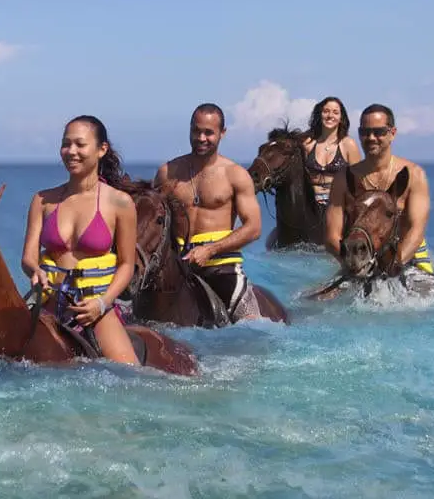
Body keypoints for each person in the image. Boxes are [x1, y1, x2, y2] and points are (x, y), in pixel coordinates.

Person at [21, 115, 140, 365]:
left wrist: (102, 303)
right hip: (48, 302)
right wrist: (34, 271)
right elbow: (28, 257)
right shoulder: (42, 200)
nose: (71, 151)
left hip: (94, 308)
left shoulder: (120, 203)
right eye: (66, 144)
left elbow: (127, 265)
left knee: (131, 377)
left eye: (80, 144)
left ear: (101, 150)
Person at [153, 103, 263, 322]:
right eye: (196, 131)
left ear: (222, 134)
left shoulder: (235, 175)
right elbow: (154, 222)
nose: (201, 138)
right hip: (175, 268)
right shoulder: (167, 173)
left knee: (252, 325)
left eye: (208, 133)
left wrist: (210, 250)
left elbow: (254, 228)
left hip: (222, 267)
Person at [324, 103, 434, 285]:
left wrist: (393, 266)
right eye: (365, 132)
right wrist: (354, 265)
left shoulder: (415, 175)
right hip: (358, 259)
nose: (371, 137)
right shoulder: (343, 179)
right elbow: (331, 236)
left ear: (392, 133)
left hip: (406, 257)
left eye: (379, 131)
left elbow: (416, 229)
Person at [302, 96, 361, 206]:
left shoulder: (348, 144)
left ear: (341, 117)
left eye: (335, 112)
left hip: (339, 203)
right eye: (326, 111)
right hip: (310, 204)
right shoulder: (308, 144)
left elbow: (357, 180)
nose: (330, 116)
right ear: (320, 114)